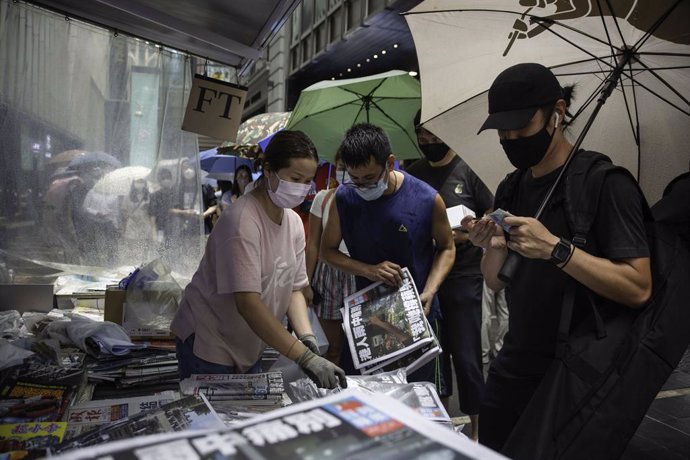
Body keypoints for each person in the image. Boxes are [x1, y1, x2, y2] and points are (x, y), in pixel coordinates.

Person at [465, 63, 651, 451]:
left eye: (521, 126)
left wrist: (557, 249)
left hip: (577, 373)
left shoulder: (605, 183)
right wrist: (491, 248)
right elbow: (496, 281)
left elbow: (638, 287)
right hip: (515, 364)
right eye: (502, 131)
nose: (511, 138)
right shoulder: (511, 186)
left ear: (558, 113)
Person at [170, 130, 347, 389]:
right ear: (268, 171)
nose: (301, 188)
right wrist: (304, 357)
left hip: (250, 341)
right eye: (295, 178)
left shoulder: (294, 223)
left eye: (307, 181)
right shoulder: (242, 221)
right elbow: (247, 303)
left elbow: (295, 288)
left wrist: (306, 337)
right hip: (210, 342)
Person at [321, 123, 456, 383]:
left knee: (418, 394)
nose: (361, 185)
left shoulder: (426, 198)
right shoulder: (344, 197)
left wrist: (431, 289)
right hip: (367, 316)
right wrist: (368, 270)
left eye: (370, 178)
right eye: (354, 178)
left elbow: (447, 247)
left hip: (418, 311)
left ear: (390, 163)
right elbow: (327, 252)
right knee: (366, 396)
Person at [407, 116, 494, 440]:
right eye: (421, 135)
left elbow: (491, 220)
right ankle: (439, 427)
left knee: (468, 356)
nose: (428, 140)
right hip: (425, 277)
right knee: (432, 356)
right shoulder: (413, 173)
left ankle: (478, 431)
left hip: (464, 276)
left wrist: (466, 234)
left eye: (432, 133)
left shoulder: (468, 171)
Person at [304, 151, 356, 365]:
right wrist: (306, 284)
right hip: (327, 278)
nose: (346, 172)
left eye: (350, 167)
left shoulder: (373, 199)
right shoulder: (323, 198)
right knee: (331, 348)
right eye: (342, 166)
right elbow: (313, 245)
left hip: (361, 273)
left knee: (359, 349)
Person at [480, 282, 508, 365]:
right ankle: (500, 349)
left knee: (485, 313)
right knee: (504, 313)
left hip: (488, 273)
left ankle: (484, 354)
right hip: (504, 272)